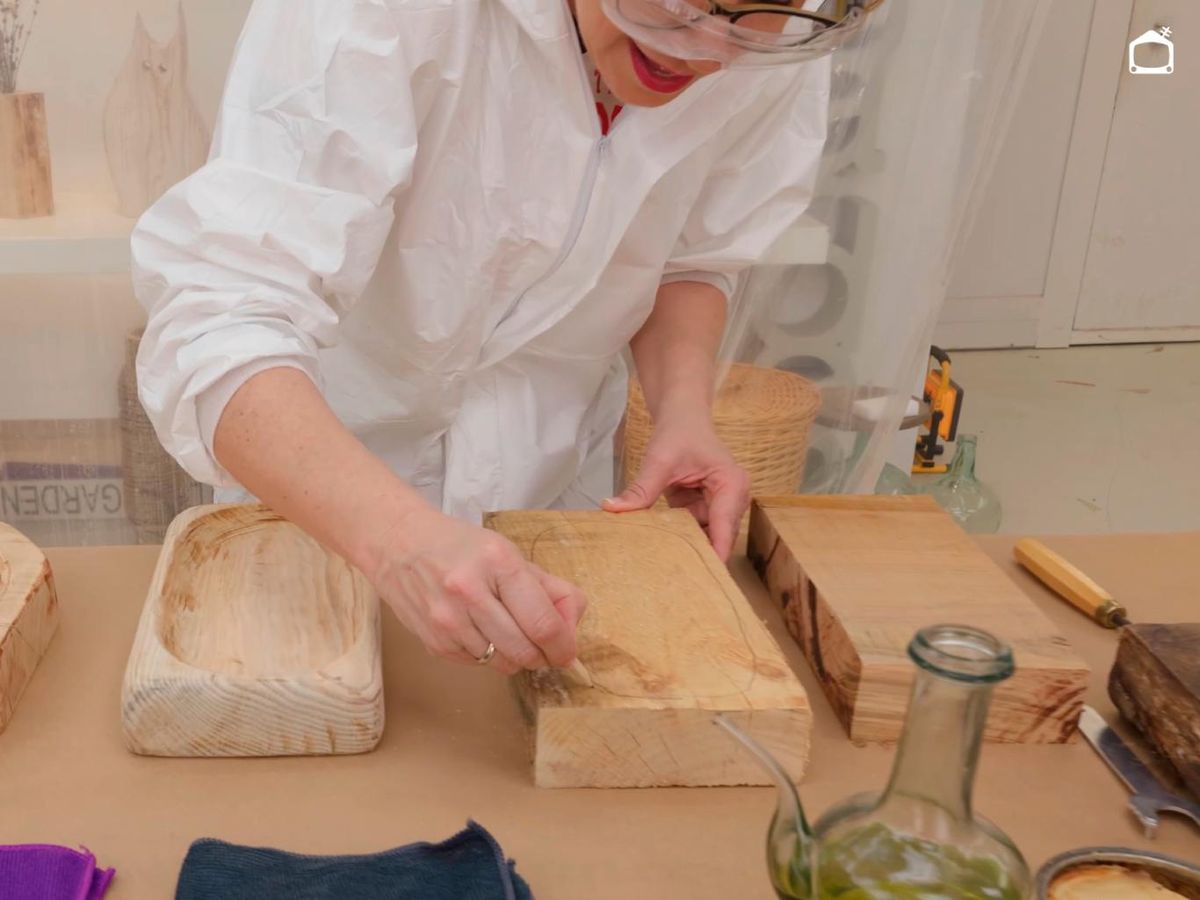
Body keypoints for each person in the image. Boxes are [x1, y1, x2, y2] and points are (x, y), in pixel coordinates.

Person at [132, 0, 877, 675]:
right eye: (678, 2)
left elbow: (689, 252)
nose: (708, 53)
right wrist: (398, 541)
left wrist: (682, 411)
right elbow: (222, 318)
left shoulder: (781, 26)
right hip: (324, 506)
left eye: (752, 18)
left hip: (551, 512)